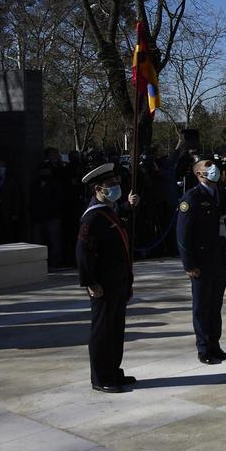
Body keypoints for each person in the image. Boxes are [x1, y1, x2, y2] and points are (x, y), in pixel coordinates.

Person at [76, 163, 140, 393]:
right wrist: (91, 282)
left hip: (118, 280)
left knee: (115, 329)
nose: (115, 188)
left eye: (116, 184)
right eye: (110, 186)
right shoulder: (92, 218)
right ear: (98, 189)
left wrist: (128, 206)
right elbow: (83, 253)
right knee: (103, 331)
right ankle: (101, 377)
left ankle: (113, 371)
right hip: (103, 283)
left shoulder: (109, 210)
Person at [176, 157, 226, 364]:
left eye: (214, 166)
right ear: (198, 174)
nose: (214, 170)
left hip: (219, 257)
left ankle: (215, 345)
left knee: (215, 305)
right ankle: (204, 349)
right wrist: (189, 264)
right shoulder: (192, 198)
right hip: (201, 261)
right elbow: (183, 235)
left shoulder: (222, 194)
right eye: (208, 167)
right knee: (202, 306)